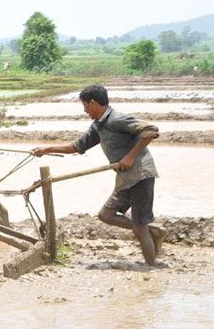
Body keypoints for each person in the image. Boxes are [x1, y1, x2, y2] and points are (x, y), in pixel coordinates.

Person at [32, 84, 167, 266]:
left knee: (139, 227)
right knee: (106, 215)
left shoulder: (116, 119)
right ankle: (152, 231)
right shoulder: (98, 126)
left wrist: (130, 156)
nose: (85, 110)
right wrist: (46, 149)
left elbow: (151, 130)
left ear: (93, 103)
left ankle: (151, 268)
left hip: (141, 174)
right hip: (125, 178)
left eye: (85, 105)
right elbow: (77, 146)